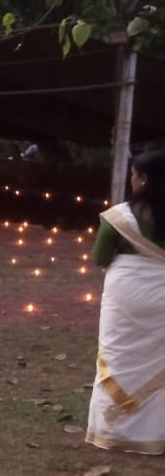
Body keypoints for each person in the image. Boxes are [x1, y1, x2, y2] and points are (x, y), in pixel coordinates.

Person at [86, 149, 165, 454]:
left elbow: (100, 257)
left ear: (143, 179)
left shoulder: (119, 216)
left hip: (126, 296)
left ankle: (113, 430)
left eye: (133, 175)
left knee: (118, 358)